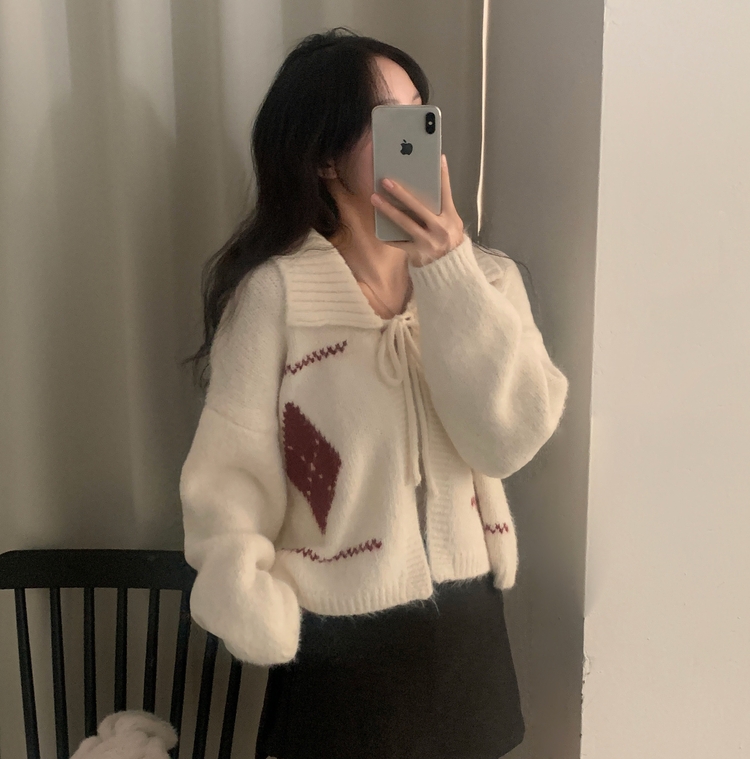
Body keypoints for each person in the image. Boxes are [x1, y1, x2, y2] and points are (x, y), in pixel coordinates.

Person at [179, 27, 569, 759]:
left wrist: (447, 271)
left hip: (467, 638)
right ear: (325, 157)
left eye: (421, 110)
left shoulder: (488, 281)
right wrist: (249, 599)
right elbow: (230, 477)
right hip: (337, 651)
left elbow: (505, 441)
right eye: (389, 117)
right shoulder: (275, 297)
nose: (415, 132)